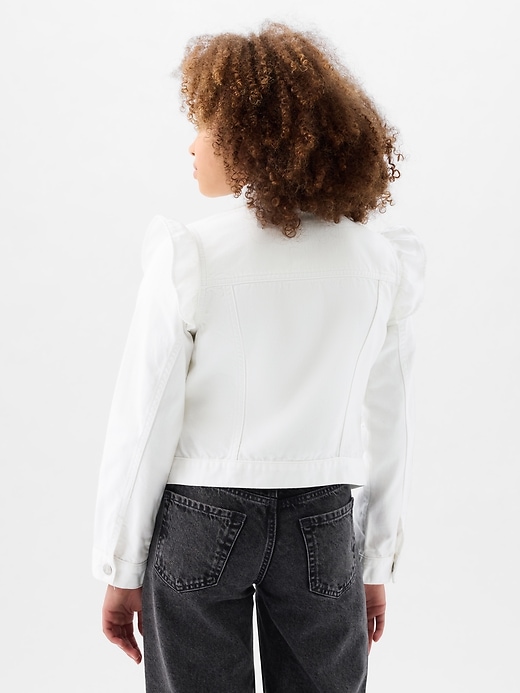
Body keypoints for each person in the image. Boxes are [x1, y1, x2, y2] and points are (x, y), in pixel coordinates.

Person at [93, 21, 425, 693]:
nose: (192, 144)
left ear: (253, 136)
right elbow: (389, 421)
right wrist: (375, 561)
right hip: (323, 521)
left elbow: (144, 420)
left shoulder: (191, 255)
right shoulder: (380, 261)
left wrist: (120, 567)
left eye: (207, 126)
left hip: (200, 514)